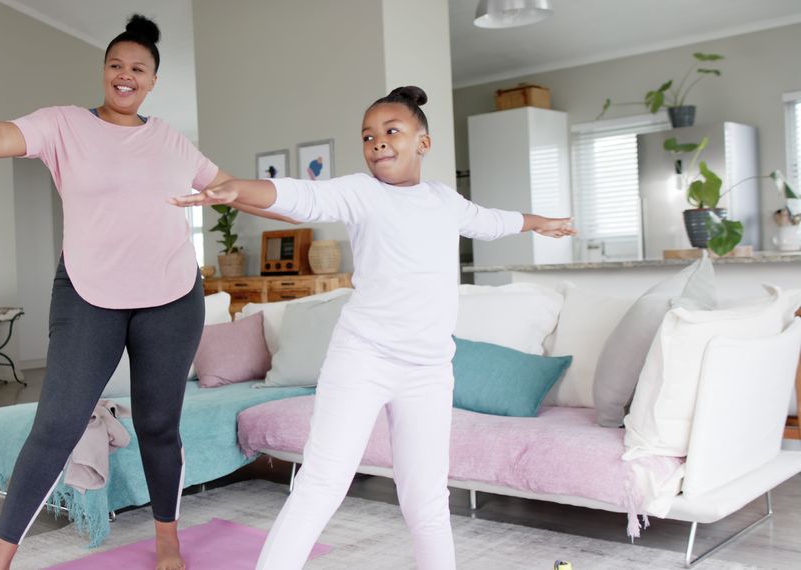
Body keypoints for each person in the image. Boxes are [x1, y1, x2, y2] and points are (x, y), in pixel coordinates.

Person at [0, 14, 285, 570]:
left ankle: (167, 540)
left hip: (172, 296)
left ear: (154, 80)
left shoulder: (174, 143)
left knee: (159, 424)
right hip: (89, 294)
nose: (125, 76)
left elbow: (230, 188)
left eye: (139, 68)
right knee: (56, 425)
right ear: (103, 71)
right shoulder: (63, 126)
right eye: (116, 65)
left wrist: (313, 198)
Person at [171, 85, 575, 570]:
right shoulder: (361, 193)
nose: (377, 142)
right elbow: (302, 195)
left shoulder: (445, 201)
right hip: (363, 359)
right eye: (368, 136)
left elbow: (491, 221)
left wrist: (539, 223)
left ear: (423, 143)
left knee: (426, 501)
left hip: (427, 370)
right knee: (322, 484)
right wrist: (237, 188)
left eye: (391, 131)